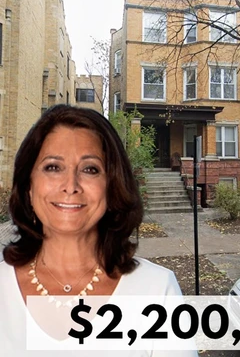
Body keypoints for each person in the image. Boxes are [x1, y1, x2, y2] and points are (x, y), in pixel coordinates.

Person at [0, 104, 198, 356]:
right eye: (53, 167)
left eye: (90, 169)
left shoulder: (157, 290)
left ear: (111, 186)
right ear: (29, 186)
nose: (70, 185)